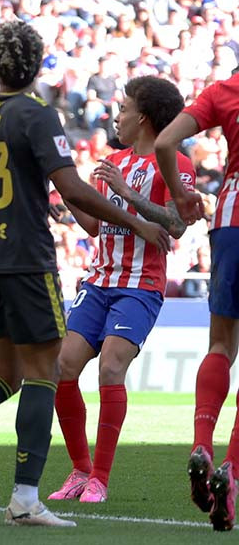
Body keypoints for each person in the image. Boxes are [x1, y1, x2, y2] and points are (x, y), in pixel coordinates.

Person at [0, 20, 170, 527]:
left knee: (7, 374)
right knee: (44, 373)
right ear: (36, 64)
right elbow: (74, 189)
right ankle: (25, 497)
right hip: (25, 258)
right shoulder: (38, 114)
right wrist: (133, 218)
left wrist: (11, 188)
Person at [49, 76, 194, 504]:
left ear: (144, 119)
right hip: (98, 281)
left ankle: (100, 477)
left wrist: (124, 191)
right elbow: (95, 225)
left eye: (125, 108)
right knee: (62, 367)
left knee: (111, 368)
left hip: (140, 286)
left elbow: (176, 225)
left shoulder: (176, 165)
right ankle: (78, 470)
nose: (117, 115)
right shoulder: (115, 162)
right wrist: (66, 193)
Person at [155, 69, 239, 531]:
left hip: (230, 219)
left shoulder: (224, 90)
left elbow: (166, 143)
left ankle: (201, 443)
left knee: (221, 346)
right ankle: (233, 471)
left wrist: (184, 196)